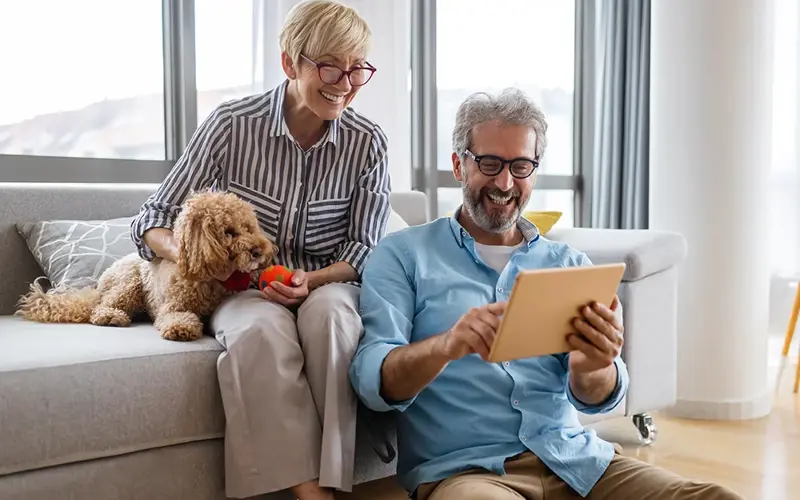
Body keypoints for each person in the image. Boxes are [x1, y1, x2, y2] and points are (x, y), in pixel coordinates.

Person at [349, 88, 743, 500]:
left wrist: (593, 367)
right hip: (467, 474)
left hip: (577, 463)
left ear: (534, 172)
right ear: (459, 166)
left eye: (520, 166)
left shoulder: (568, 264)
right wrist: (446, 346)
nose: (505, 182)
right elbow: (373, 383)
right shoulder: (403, 254)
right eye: (489, 163)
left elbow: (598, 397)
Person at [130, 1, 390, 499]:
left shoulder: (369, 143)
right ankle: (310, 491)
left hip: (326, 283)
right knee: (258, 331)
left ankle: (340, 480)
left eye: (357, 68)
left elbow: (363, 248)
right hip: (242, 288)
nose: (345, 81)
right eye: (330, 65)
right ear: (291, 63)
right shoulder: (231, 125)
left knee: (335, 322)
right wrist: (193, 258)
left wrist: (309, 282)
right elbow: (153, 219)